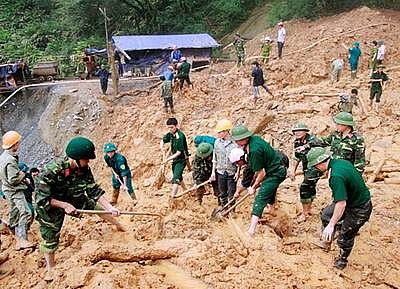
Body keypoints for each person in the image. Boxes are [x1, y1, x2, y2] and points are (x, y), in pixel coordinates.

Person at [35, 136, 125, 281]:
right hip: (50, 204)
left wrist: (110, 207)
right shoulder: (50, 171)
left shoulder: (84, 169)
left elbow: (93, 190)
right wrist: (64, 205)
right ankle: (50, 268)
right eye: (86, 159)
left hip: (73, 196)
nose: (88, 162)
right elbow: (42, 199)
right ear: (76, 158)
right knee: (50, 235)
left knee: (98, 208)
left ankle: (119, 225)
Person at [306, 147, 372, 269]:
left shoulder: (335, 176)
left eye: (315, 166)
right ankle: (328, 239)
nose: (316, 169)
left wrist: (331, 225)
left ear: (319, 164)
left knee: (345, 237)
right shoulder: (340, 162)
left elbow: (341, 204)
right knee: (326, 215)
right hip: (352, 200)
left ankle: (342, 260)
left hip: (359, 208)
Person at [231, 125, 287, 236]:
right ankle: (272, 210)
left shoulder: (254, 151)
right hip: (274, 167)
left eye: (237, 140)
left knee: (260, 198)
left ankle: (251, 230)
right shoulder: (253, 140)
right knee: (267, 190)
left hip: (275, 172)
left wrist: (254, 187)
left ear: (243, 139)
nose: (236, 143)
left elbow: (261, 173)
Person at [0, 131, 35, 250]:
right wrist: (23, 174)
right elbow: (13, 179)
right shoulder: (10, 160)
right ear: (14, 144)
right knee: (26, 212)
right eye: (18, 143)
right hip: (14, 190)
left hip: (8, 190)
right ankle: (21, 239)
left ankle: (11, 228)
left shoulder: (3, 157)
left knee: (14, 211)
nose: (19, 144)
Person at [287, 123, 323, 221]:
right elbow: (297, 157)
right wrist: (292, 170)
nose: (297, 133)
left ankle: (305, 213)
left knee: (304, 187)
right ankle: (308, 209)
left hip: (316, 167)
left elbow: (318, 143)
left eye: (299, 131)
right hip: (306, 168)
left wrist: (305, 146)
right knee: (310, 187)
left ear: (305, 131)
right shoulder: (297, 142)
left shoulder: (312, 140)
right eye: (295, 131)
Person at [210, 119, 239, 208]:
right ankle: (224, 208)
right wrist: (213, 172)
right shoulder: (217, 142)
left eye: (220, 132)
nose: (218, 134)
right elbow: (215, 158)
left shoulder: (235, 143)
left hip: (231, 172)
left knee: (231, 193)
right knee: (222, 193)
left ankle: (232, 211)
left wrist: (238, 172)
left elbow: (239, 160)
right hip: (220, 171)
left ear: (226, 132)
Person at [160, 118, 189, 197]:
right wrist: (161, 146)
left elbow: (178, 153)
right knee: (178, 175)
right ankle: (185, 190)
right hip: (175, 160)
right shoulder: (170, 134)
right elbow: (163, 140)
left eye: (172, 127)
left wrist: (167, 160)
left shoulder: (180, 136)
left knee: (175, 178)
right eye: (169, 127)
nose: (170, 129)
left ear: (176, 126)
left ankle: (173, 196)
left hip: (181, 159)